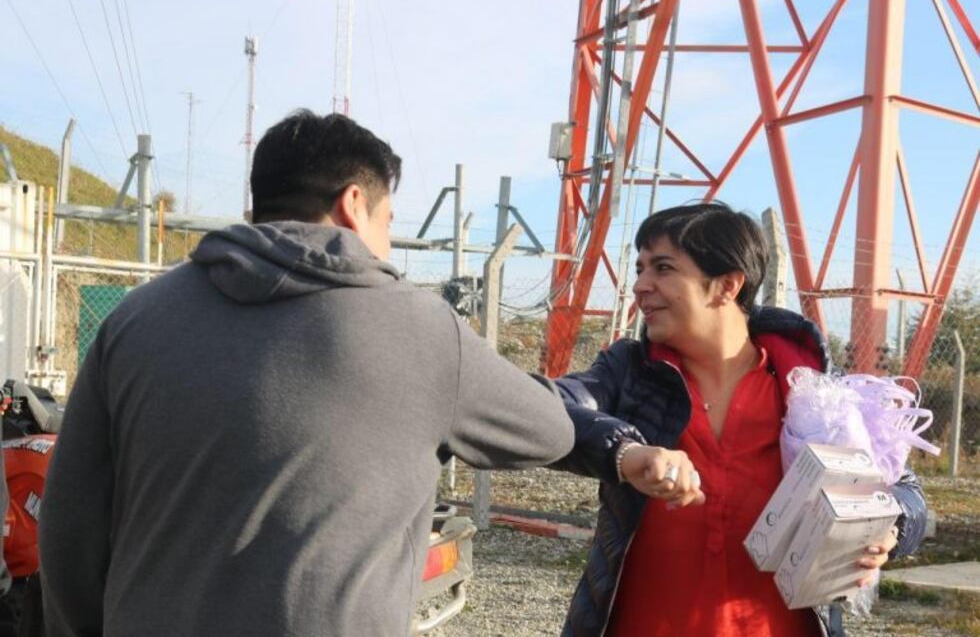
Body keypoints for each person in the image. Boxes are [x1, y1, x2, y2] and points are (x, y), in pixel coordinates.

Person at [39, 110, 575, 637]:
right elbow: (551, 433)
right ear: (353, 204)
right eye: (388, 224)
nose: (388, 247)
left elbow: (69, 525)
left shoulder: (135, 320)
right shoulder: (422, 329)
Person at [549, 202, 927, 637]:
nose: (640, 286)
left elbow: (905, 490)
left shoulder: (810, 392)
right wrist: (628, 451)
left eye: (663, 268)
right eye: (640, 268)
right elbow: (548, 408)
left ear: (726, 285)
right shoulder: (628, 374)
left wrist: (889, 528)